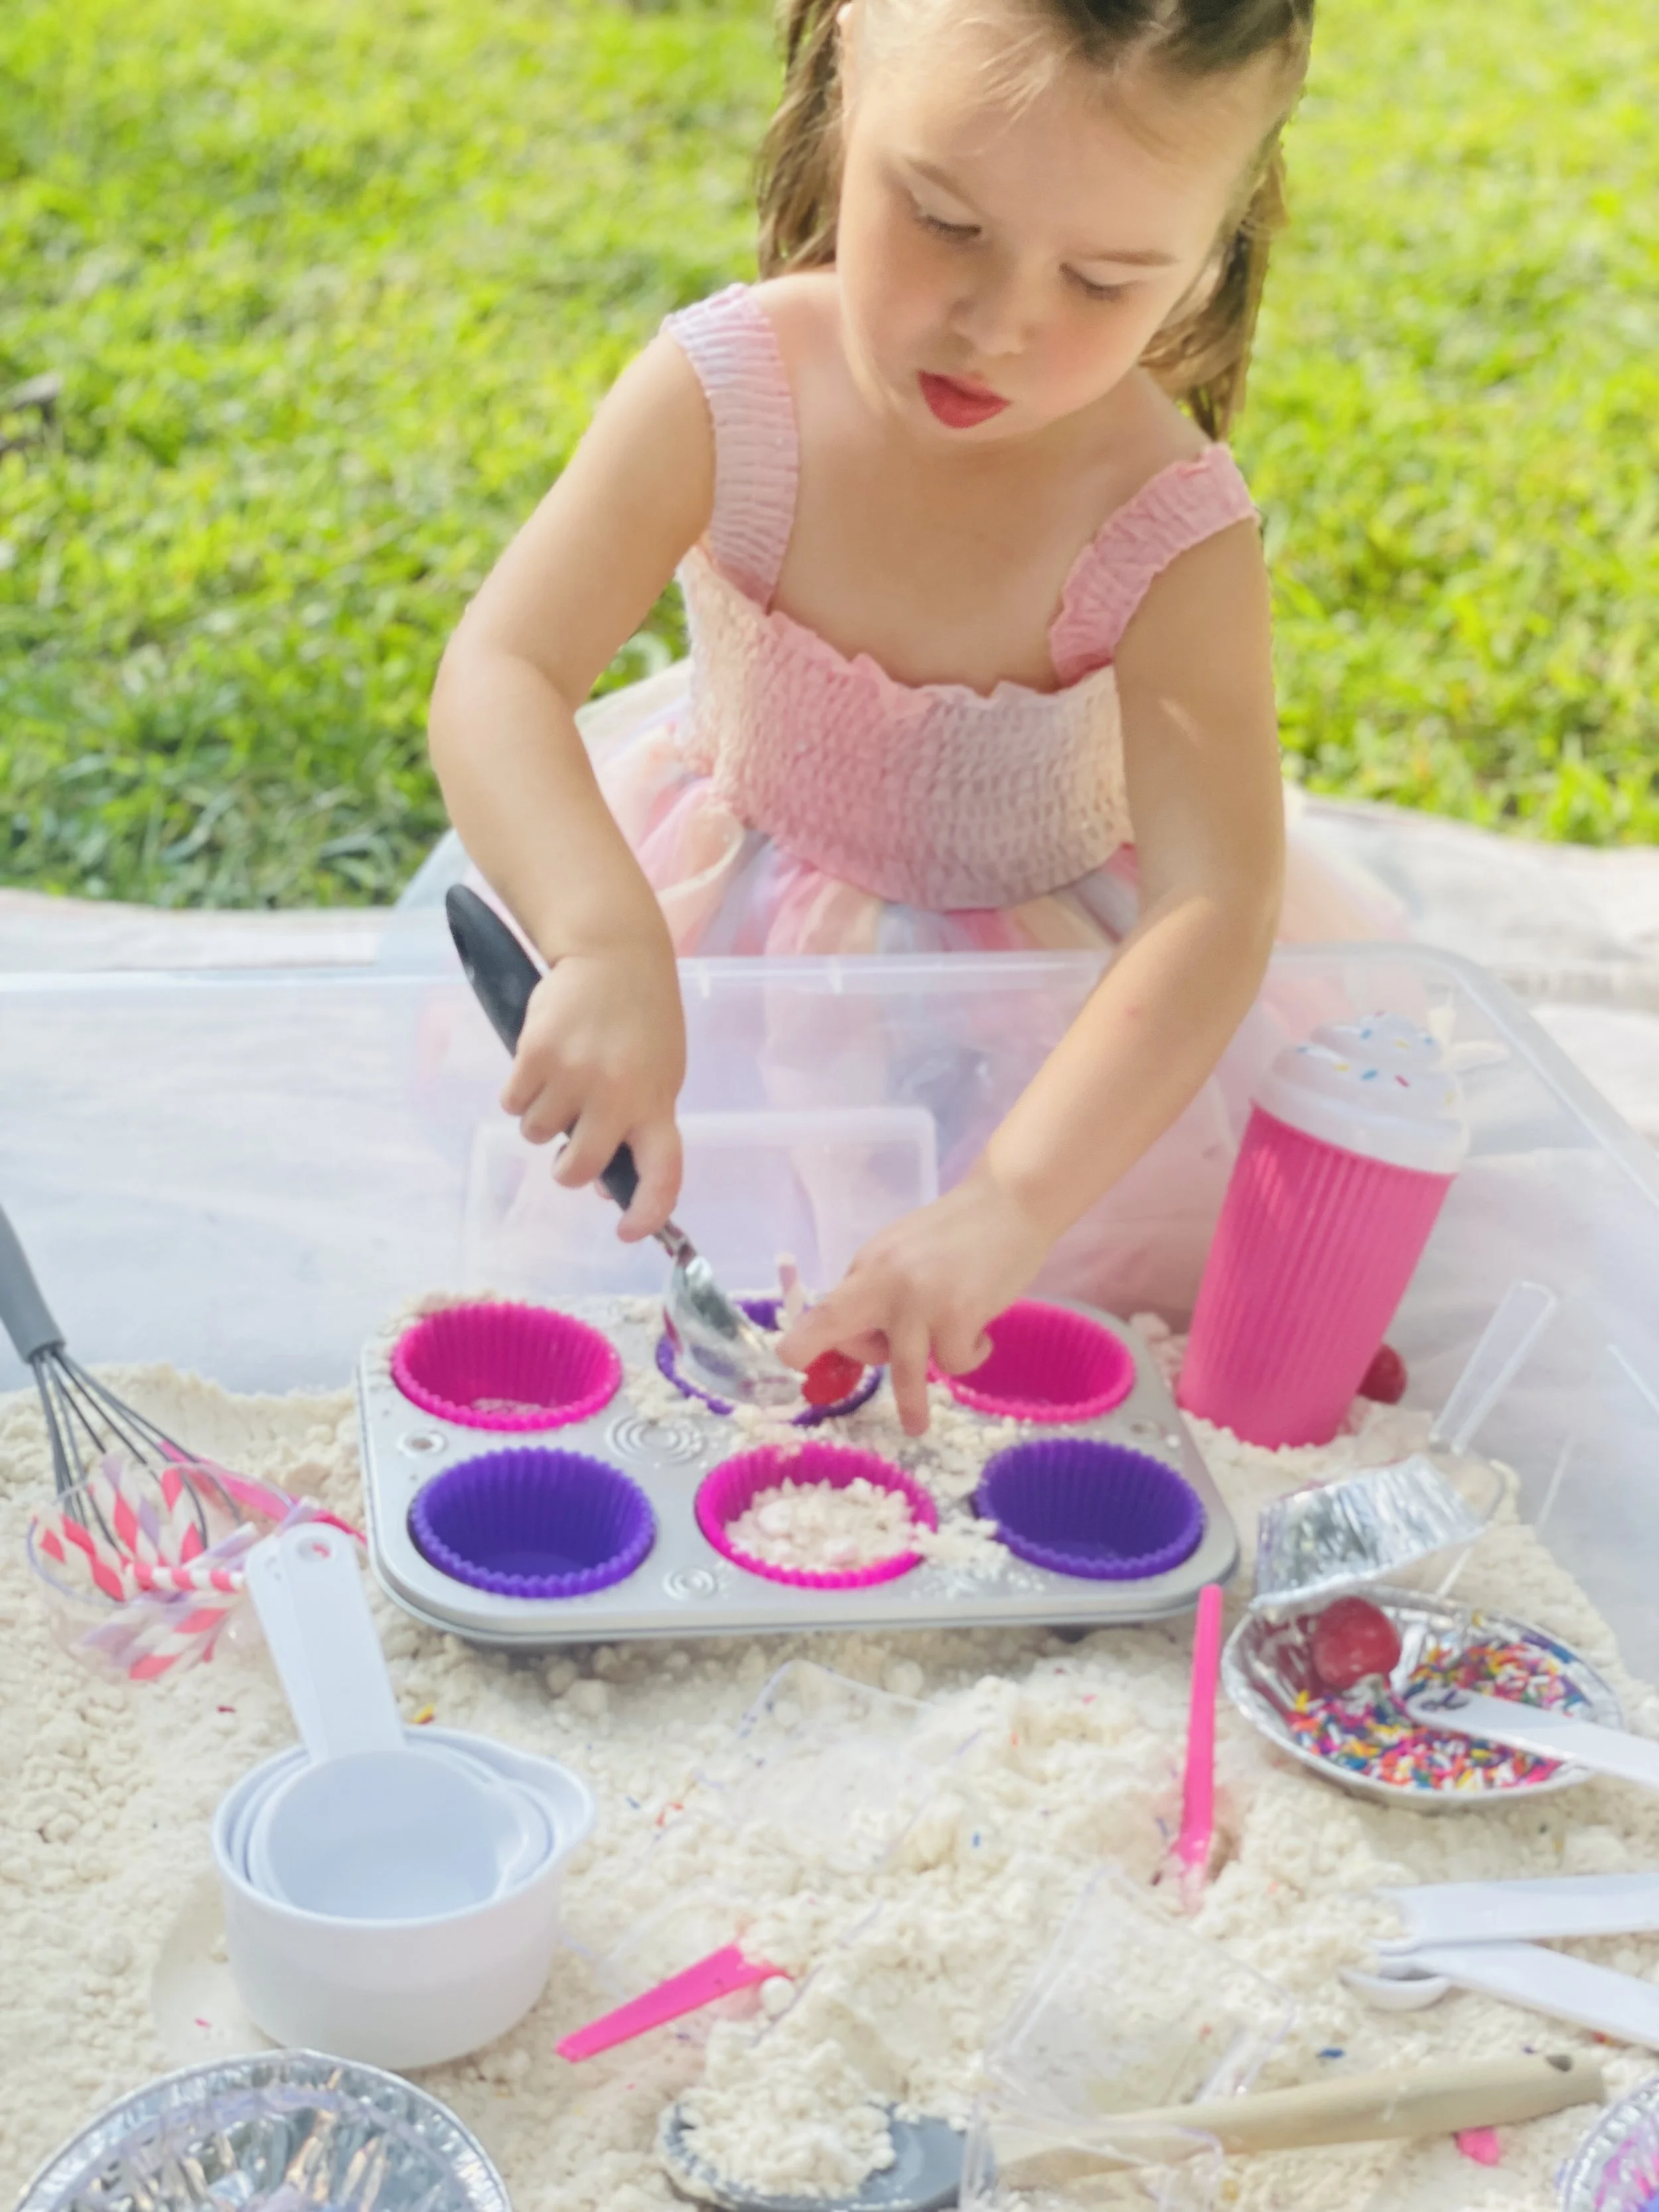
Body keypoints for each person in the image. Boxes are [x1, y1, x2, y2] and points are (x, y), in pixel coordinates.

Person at [429, 0, 1358, 1434]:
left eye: (1106, 281)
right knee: (648, 1322)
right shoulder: (728, 392)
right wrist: (604, 939)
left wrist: (1009, 1203)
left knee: (1037, 1370)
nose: (996, 325)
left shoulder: (1163, 529)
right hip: (716, 960)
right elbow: (501, 670)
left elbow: (1211, 908)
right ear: (849, 64)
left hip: (1047, 1038)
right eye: (941, 220)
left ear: (1216, 236)